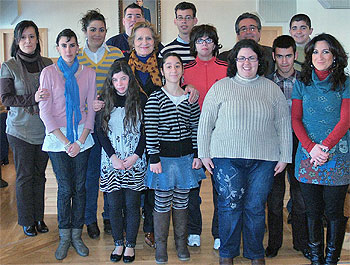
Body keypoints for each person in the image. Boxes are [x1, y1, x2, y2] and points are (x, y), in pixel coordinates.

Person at [198, 39, 292, 265]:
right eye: (242, 58)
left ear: (259, 61)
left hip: (264, 160)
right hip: (226, 158)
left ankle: (255, 253)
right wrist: (203, 153)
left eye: (251, 58)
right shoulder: (221, 87)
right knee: (229, 207)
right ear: (235, 62)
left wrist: (285, 156)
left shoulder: (272, 89)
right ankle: (227, 254)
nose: (247, 62)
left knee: (255, 208)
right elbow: (206, 123)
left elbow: (283, 124)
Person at [291, 33, 349, 265]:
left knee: (335, 213)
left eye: (325, 51)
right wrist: (311, 148)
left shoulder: (346, 83)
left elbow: (345, 120)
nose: (319, 56)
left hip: (338, 157)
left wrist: (324, 148)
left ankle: (331, 261)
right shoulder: (301, 83)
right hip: (307, 157)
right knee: (312, 212)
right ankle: (316, 260)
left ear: (335, 56)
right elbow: (295, 119)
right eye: (315, 51)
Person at [39, 29, 96, 260]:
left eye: (72, 45)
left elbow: (91, 109)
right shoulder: (48, 73)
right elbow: (45, 111)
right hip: (57, 139)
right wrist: (66, 143)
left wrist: (79, 141)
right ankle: (64, 237)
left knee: (80, 187)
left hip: (82, 136)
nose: (69, 50)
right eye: (64, 45)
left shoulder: (89, 73)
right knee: (65, 188)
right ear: (57, 48)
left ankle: (76, 235)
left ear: (77, 48)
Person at [144, 52, 206, 264]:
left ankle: (181, 243)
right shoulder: (155, 97)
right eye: (168, 66)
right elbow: (150, 129)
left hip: (185, 159)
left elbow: (196, 128)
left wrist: (198, 155)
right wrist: (153, 158)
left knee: (182, 201)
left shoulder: (190, 98)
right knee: (162, 202)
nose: (173, 70)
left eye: (177, 66)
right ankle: (161, 246)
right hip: (163, 159)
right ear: (162, 71)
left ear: (182, 70)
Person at [0, 20, 52, 236]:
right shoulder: (8, 66)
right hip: (19, 130)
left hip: (44, 130)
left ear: (37, 39)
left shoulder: (48, 64)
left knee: (40, 175)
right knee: (24, 176)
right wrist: (34, 98)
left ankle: (39, 217)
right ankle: (26, 220)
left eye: (32, 36)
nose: (28, 41)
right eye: (23, 37)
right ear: (17, 40)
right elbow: (6, 98)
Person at [78, 9, 124, 240]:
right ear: (85, 31)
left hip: (111, 123)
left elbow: (121, 86)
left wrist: (105, 101)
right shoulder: (76, 56)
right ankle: (89, 219)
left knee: (110, 172)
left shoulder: (115, 54)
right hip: (85, 124)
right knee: (91, 174)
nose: (97, 34)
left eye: (102, 29)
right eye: (93, 29)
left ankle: (109, 216)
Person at [96, 60, 148, 263]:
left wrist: (135, 156)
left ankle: (131, 245)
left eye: (123, 78)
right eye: (115, 79)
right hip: (112, 162)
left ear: (130, 79)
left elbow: (146, 132)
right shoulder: (104, 100)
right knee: (114, 206)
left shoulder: (140, 100)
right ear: (111, 81)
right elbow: (100, 132)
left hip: (135, 161)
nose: (119, 83)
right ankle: (118, 243)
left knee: (133, 206)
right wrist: (113, 158)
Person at [182, 24, 227, 249]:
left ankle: (219, 232)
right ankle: (193, 230)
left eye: (209, 40)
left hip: (221, 134)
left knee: (221, 188)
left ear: (215, 43)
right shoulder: (185, 70)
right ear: (194, 44)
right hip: (193, 133)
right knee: (193, 188)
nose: (205, 45)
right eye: (200, 40)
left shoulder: (227, 68)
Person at [265, 35, 310, 260]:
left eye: (289, 56)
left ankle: (301, 242)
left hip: (300, 143)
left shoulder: (305, 80)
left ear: (295, 55)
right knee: (274, 200)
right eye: (280, 56)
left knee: (300, 197)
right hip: (273, 145)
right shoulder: (265, 82)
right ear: (274, 56)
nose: (284, 61)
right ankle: (274, 243)